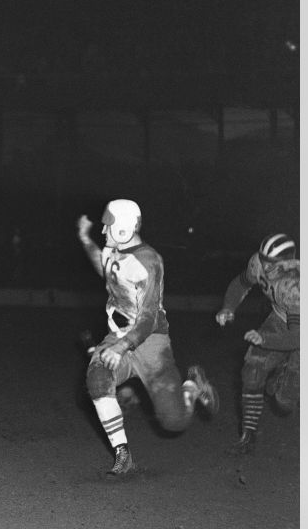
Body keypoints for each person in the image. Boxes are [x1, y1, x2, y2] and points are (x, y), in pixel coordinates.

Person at [76, 199, 218, 477]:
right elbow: (104, 267)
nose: (104, 233)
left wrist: (122, 345)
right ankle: (123, 454)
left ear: (124, 228)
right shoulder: (116, 248)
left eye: (108, 227)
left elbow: (149, 316)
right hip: (119, 337)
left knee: (174, 422)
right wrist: (84, 238)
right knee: (97, 378)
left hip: (151, 343)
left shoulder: (148, 261)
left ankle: (192, 386)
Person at [215, 232, 300, 455]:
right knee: (252, 369)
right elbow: (241, 283)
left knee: (284, 402)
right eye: (263, 260)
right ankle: (249, 435)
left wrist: (265, 339)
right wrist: (228, 307)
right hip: (280, 319)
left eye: (273, 264)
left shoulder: (296, 286)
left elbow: (297, 337)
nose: (265, 267)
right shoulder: (259, 262)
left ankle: (283, 371)